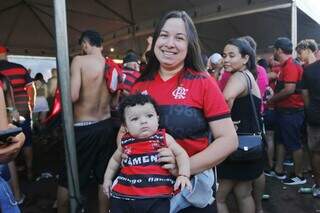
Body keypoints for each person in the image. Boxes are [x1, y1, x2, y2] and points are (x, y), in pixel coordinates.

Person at [128, 10, 238, 213]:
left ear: (189, 46)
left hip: (191, 194)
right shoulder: (139, 85)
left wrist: (183, 167)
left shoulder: (203, 82)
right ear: (154, 41)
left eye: (179, 38)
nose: (170, 43)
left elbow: (229, 139)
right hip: (145, 193)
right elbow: (124, 134)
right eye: (164, 35)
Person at [56, 30, 117, 213]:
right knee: (103, 177)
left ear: (85, 44)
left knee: (68, 178)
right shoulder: (110, 65)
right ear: (102, 45)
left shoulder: (79, 61)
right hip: (106, 126)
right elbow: (114, 102)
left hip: (84, 128)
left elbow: (73, 95)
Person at [103, 94, 192, 213]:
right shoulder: (125, 141)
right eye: (135, 119)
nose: (144, 121)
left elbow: (181, 154)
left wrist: (183, 175)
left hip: (157, 197)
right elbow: (114, 160)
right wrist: (107, 179)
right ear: (125, 126)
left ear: (158, 118)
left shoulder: (163, 138)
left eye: (149, 116)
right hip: (124, 197)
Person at [216, 38, 263, 213]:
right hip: (249, 144)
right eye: (224, 55)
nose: (226, 59)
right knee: (243, 193)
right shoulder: (248, 75)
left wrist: (220, 121)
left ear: (245, 58)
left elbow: (225, 99)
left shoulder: (238, 76)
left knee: (218, 198)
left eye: (231, 55)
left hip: (237, 145)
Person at [267, 37, 306, 185]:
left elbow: (289, 89)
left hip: (292, 111)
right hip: (285, 110)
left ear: (279, 50)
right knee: (281, 141)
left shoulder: (290, 66)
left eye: (274, 50)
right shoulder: (286, 65)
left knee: (294, 143)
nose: (273, 52)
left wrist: (272, 99)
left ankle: (299, 175)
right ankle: (279, 170)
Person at [0, 46, 35, 181]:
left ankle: (13, 179)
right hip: (21, 111)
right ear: (6, 53)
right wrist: (31, 105)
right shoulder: (20, 68)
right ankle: (30, 172)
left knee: (6, 143)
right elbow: (31, 89)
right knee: (27, 141)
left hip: (3, 114)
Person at [296, 39, 320, 198]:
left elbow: (304, 94)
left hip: (315, 116)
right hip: (314, 116)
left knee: (316, 152)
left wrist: (310, 109)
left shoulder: (309, 70)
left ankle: (318, 186)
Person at [0, 77, 25, 213]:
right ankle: (17, 194)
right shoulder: (4, 81)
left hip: (6, 119)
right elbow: (12, 104)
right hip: (8, 117)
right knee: (8, 160)